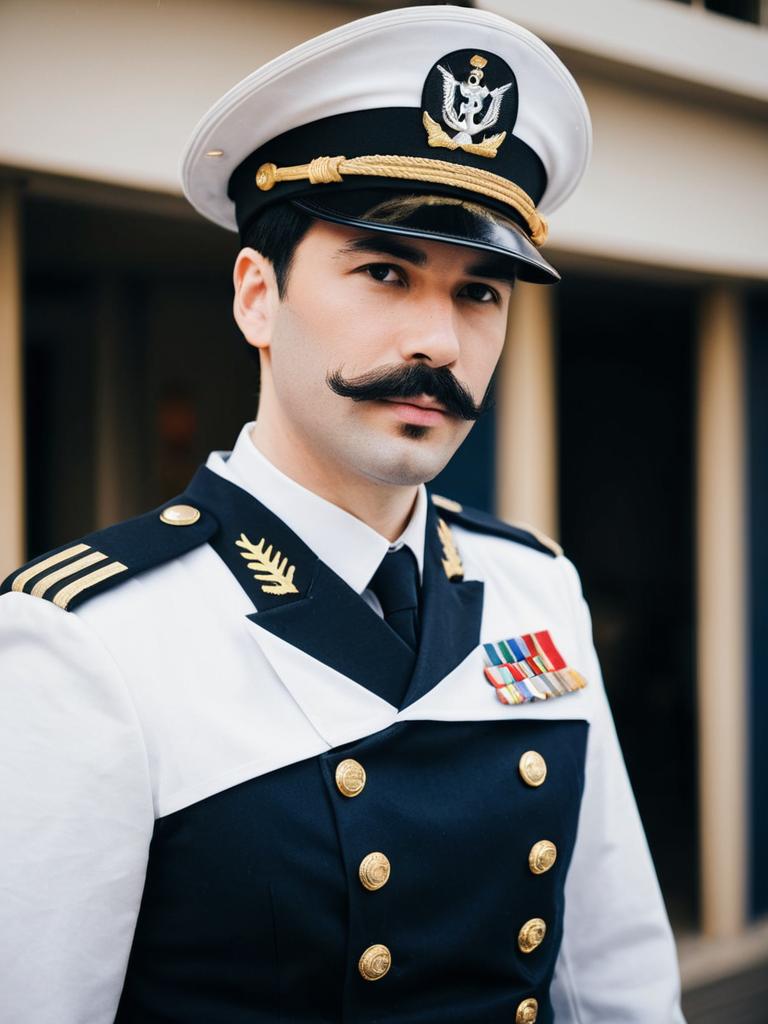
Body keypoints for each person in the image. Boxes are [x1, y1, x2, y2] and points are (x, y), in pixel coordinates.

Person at [0, 5, 686, 1023]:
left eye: (481, 293)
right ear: (256, 298)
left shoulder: (533, 585)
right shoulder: (88, 640)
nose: (442, 340)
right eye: (384, 271)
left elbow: (617, 977)